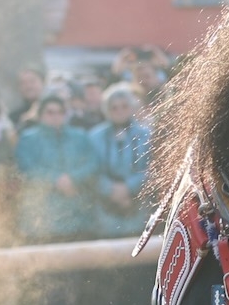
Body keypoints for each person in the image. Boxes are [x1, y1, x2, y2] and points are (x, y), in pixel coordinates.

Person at [14, 94, 97, 242]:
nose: (55, 116)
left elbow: (92, 163)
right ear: (40, 115)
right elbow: (27, 167)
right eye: (50, 112)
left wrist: (73, 178)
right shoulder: (28, 139)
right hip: (42, 212)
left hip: (76, 209)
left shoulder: (80, 137)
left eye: (60, 112)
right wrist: (56, 180)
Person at [89, 82, 152, 236]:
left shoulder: (146, 135)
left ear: (132, 107)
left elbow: (151, 168)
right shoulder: (94, 136)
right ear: (106, 109)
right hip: (106, 206)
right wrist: (111, 190)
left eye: (124, 106)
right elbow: (91, 170)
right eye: (114, 107)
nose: (119, 111)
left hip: (137, 203)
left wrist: (128, 188)